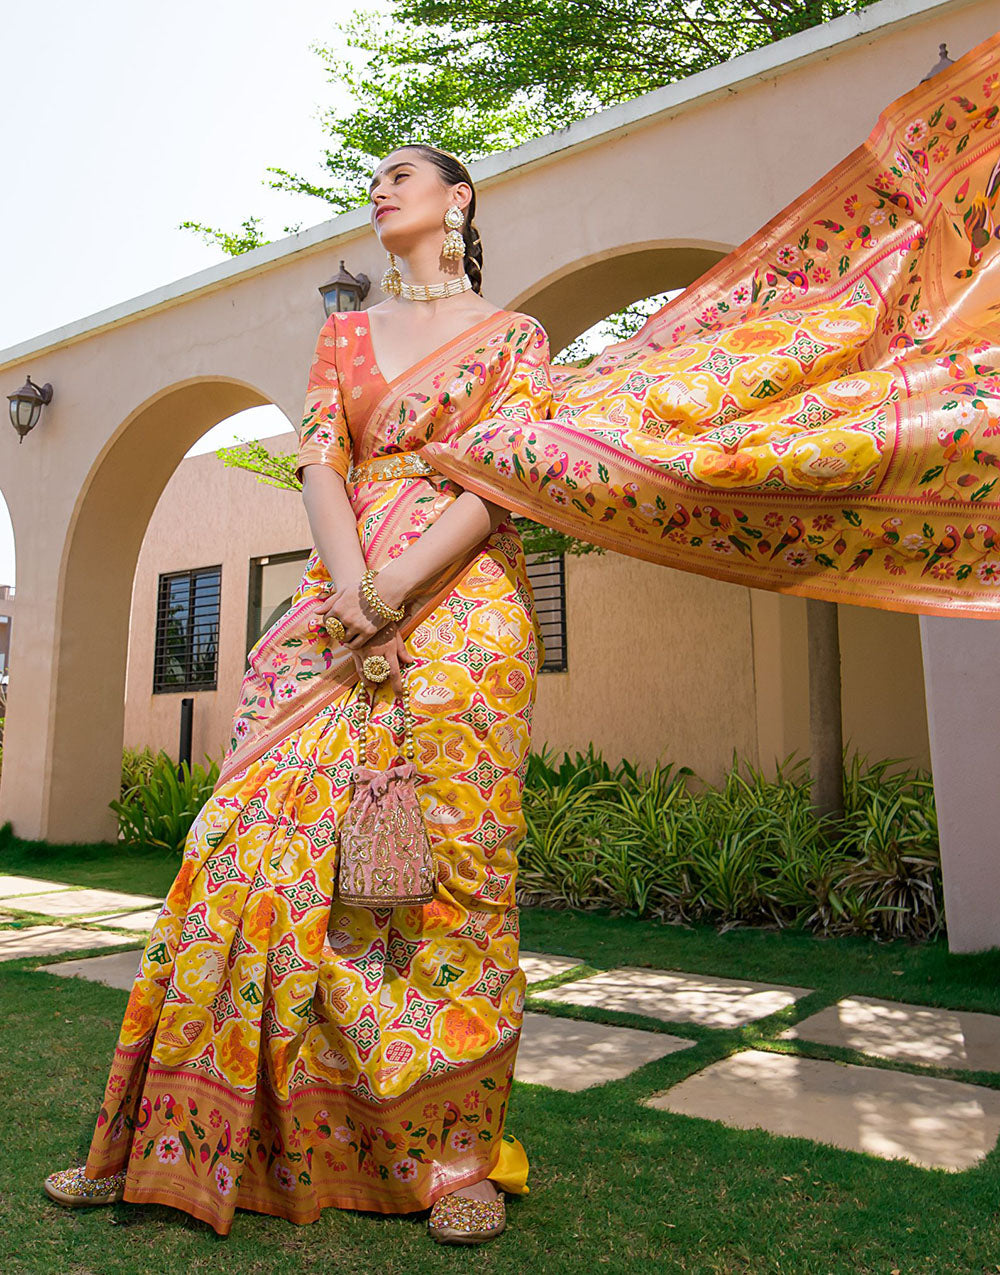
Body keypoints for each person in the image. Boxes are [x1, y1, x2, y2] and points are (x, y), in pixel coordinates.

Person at [44, 143, 552, 1246]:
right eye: (371, 178)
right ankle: (169, 1136)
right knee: (235, 850)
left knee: (447, 880)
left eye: (401, 174)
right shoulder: (343, 334)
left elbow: (500, 476)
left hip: (461, 616)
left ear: (457, 200)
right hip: (337, 602)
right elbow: (322, 459)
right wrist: (357, 585)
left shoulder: (517, 340)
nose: (379, 188)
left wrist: (406, 583)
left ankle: (453, 1157)